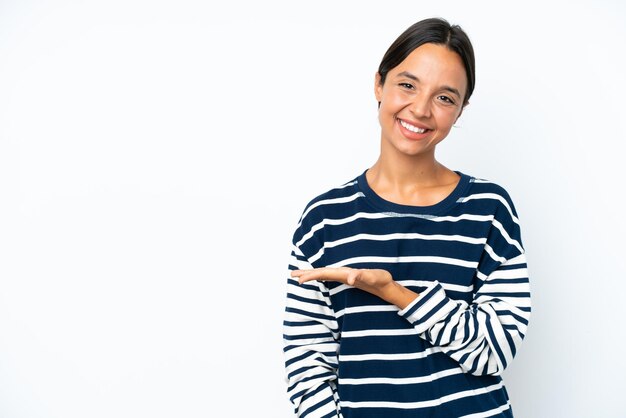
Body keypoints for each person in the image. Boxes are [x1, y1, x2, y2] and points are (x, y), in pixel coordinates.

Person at [283, 17, 531, 418]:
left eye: (445, 98)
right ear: (379, 84)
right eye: (407, 85)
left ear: (460, 110)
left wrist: (395, 293)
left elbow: (494, 352)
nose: (420, 109)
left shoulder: (488, 207)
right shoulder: (324, 219)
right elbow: (307, 368)